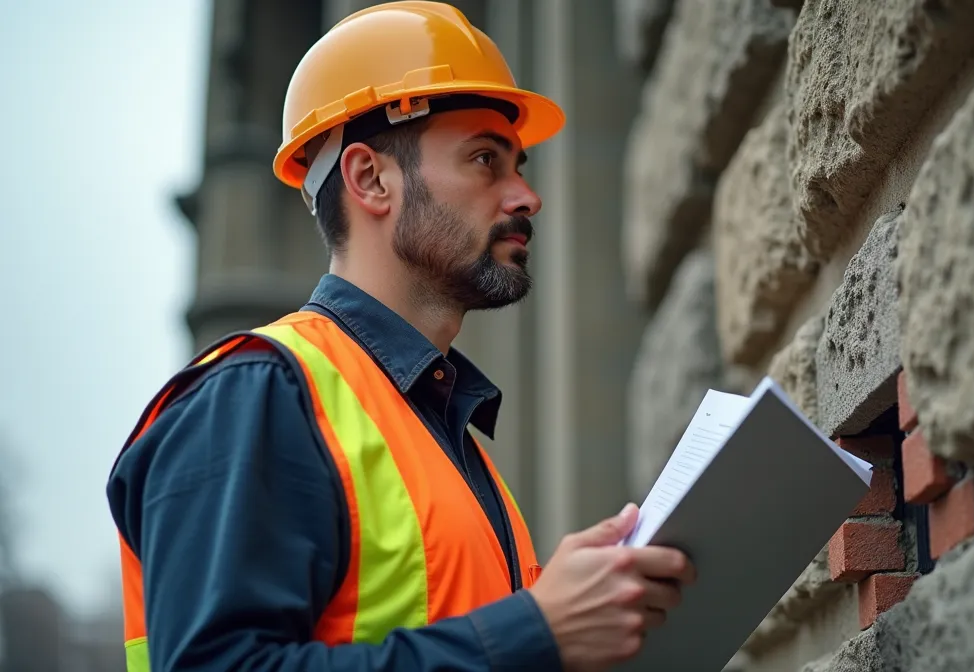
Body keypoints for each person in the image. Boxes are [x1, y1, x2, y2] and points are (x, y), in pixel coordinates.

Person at [104, 3, 695, 671]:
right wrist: (534, 630)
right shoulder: (257, 394)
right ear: (370, 179)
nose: (526, 196)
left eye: (519, 166)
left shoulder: (447, 440)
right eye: (484, 159)